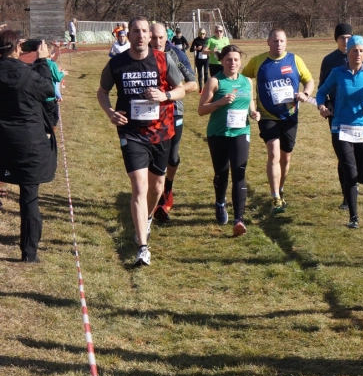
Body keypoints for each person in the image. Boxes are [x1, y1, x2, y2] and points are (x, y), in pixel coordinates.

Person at [96, 16, 186, 267]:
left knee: (156, 188)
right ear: (128, 35)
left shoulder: (163, 59)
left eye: (144, 31)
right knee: (139, 185)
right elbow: (102, 92)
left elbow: (182, 89)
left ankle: (146, 219)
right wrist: (110, 112)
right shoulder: (117, 63)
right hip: (131, 132)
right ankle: (143, 248)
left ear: (149, 35)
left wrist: (165, 95)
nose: (141, 36)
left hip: (161, 132)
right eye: (135, 31)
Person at [316, 35, 363, 228]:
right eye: (354, 50)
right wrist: (322, 106)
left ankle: (356, 189)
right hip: (341, 128)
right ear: (348, 53)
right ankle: (353, 217)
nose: (358, 54)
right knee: (350, 172)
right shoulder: (337, 73)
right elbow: (321, 92)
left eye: (361, 51)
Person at [242, 28, 314, 213]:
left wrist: (305, 93)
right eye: (275, 41)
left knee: (285, 157)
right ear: (268, 42)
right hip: (267, 116)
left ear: (286, 42)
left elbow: (309, 80)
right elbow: (244, 78)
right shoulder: (258, 61)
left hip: (289, 116)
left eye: (282, 41)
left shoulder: (295, 60)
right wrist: (251, 104)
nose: (278, 44)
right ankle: (275, 197)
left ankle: (280, 189)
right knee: (273, 153)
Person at [0, 31, 57, 262]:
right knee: (29, 197)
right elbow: (48, 90)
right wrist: (42, 61)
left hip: (3, 141)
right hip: (27, 144)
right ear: (17, 49)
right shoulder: (29, 74)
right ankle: (29, 253)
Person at [199, 44, 260, 235]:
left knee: (239, 172)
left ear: (240, 61)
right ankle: (220, 203)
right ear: (222, 61)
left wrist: (253, 112)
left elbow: (250, 101)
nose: (232, 63)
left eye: (235, 59)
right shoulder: (215, 81)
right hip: (218, 133)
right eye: (228, 60)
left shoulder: (247, 81)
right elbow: (201, 110)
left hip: (241, 132)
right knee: (222, 173)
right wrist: (219, 102)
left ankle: (238, 219)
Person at [148, 23, 198, 223]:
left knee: (172, 157)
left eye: (160, 37)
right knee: (152, 156)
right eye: (153, 38)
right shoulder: (141, 54)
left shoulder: (176, 54)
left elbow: (193, 83)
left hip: (174, 111)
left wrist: (170, 93)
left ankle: (168, 186)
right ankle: (157, 197)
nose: (157, 42)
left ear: (166, 37)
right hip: (148, 113)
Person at [318, 22, 353, 209]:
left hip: (357, 114)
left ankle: (354, 186)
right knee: (344, 155)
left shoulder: (361, 56)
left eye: (348, 37)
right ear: (336, 39)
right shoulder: (329, 60)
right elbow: (322, 88)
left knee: (356, 154)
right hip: (337, 114)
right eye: (342, 38)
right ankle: (347, 196)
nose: (345, 41)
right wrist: (325, 105)